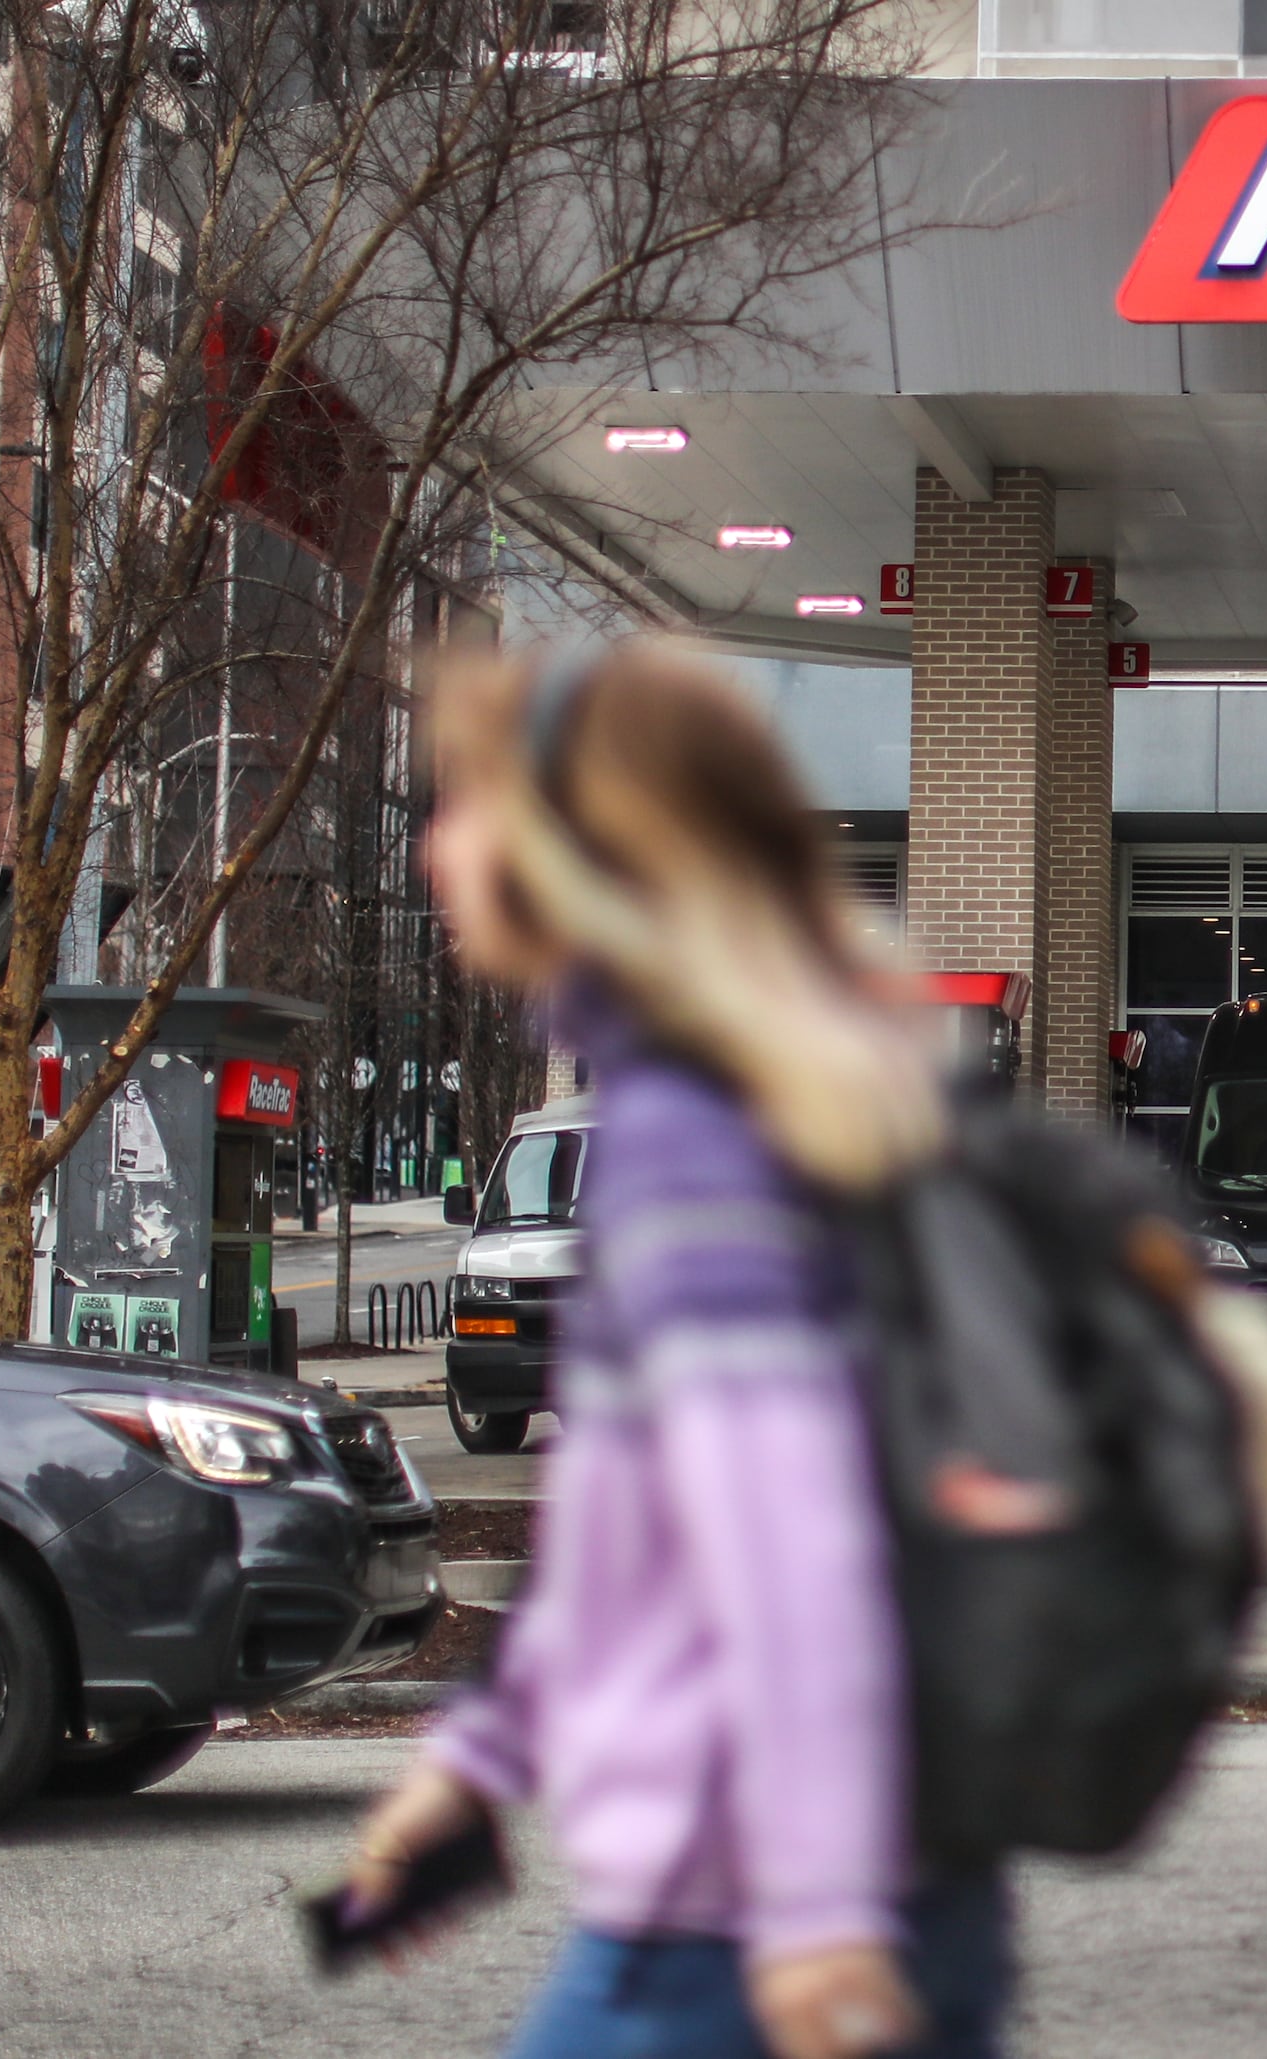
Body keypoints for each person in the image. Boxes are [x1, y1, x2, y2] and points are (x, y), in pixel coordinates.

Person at [342, 638, 995, 2059]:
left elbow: (789, 1523)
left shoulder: (695, 1133)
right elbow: (634, 1534)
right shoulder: (711, 1092)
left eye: (466, 804)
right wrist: (476, 1762)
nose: (439, 845)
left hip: (748, 1907)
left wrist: (820, 1906)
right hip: (798, 1877)